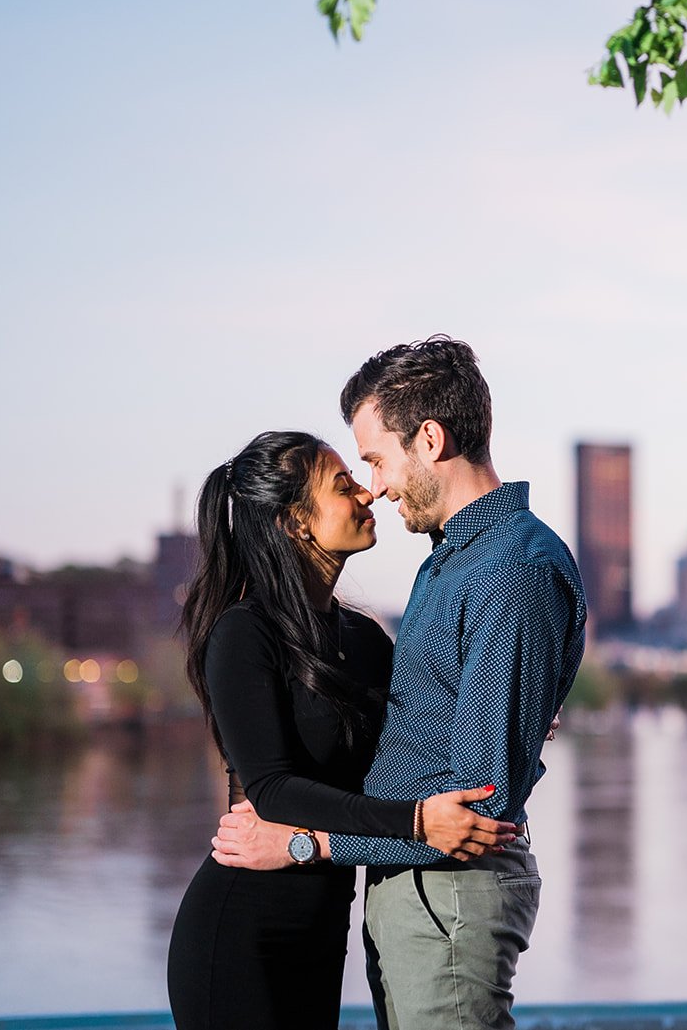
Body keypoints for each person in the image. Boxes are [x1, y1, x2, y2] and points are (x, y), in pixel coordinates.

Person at [211, 337, 587, 1030]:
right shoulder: (449, 563)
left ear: (431, 439)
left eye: (378, 459)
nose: (375, 485)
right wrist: (509, 707)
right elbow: (420, 725)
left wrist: (308, 843)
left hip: (449, 894)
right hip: (416, 894)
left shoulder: (510, 572)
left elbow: (477, 806)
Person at [166, 429, 519, 1030]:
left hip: (326, 925)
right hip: (243, 926)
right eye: (342, 485)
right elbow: (272, 790)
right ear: (294, 523)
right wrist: (416, 822)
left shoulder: (365, 640)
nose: (368, 494)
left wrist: (511, 702)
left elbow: (420, 729)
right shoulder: (244, 634)